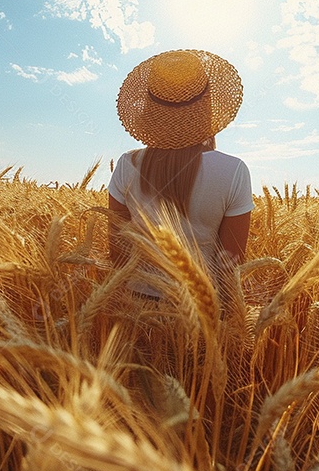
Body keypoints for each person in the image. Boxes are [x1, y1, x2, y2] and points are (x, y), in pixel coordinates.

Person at [107, 49, 253, 299]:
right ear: (207, 108)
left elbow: (117, 252)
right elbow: (231, 264)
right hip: (202, 306)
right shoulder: (234, 170)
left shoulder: (126, 165)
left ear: (149, 111)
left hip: (135, 307)